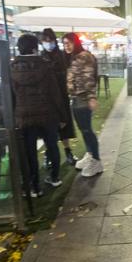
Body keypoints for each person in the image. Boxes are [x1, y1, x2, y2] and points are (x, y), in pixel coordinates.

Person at [11, 34, 66, 197]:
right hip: (48, 114)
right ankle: (54, 177)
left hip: (24, 116)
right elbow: (55, 93)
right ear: (35, 48)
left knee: (29, 152)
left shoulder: (12, 69)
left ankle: (33, 186)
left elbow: (11, 95)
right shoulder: (45, 66)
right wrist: (62, 116)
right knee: (52, 146)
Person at [63, 33, 103, 177]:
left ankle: (96, 161)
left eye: (69, 42)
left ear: (75, 42)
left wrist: (91, 97)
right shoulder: (74, 57)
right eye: (64, 43)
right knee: (84, 129)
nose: (66, 45)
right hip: (76, 97)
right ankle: (91, 154)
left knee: (87, 130)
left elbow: (89, 77)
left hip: (83, 98)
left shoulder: (84, 56)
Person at [40, 28, 78, 173]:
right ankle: (48, 155)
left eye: (51, 40)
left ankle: (68, 152)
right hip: (47, 99)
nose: (48, 43)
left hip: (61, 96)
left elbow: (69, 72)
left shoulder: (62, 56)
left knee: (65, 126)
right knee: (48, 130)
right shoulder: (41, 57)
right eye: (46, 41)